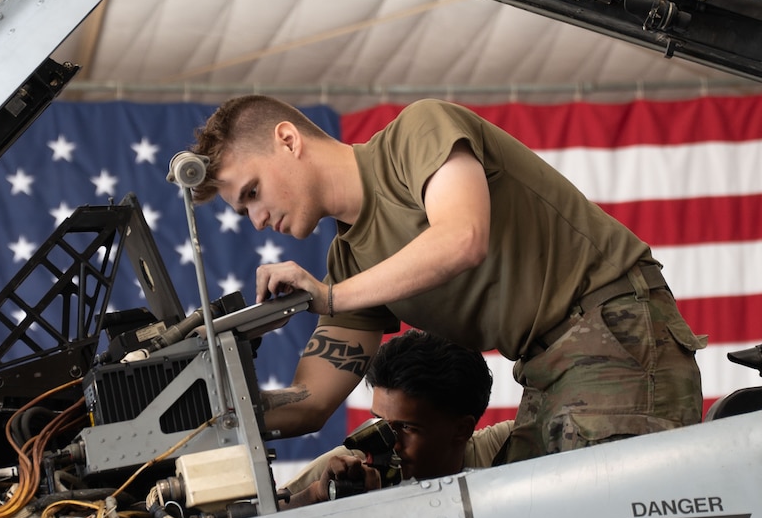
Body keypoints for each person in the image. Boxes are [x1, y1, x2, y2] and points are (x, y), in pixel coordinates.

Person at [185, 95, 705, 460]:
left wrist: (330, 297)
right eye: (242, 210)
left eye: (252, 192)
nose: (255, 220)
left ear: (287, 140)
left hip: (614, 332)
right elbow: (311, 403)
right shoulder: (351, 263)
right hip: (548, 370)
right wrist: (203, 413)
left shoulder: (416, 133)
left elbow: (462, 237)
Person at [281, 330, 512, 507]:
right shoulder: (346, 468)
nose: (389, 442)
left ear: (462, 430)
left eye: (407, 427)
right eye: (379, 422)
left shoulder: (507, 449)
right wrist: (316, 494)